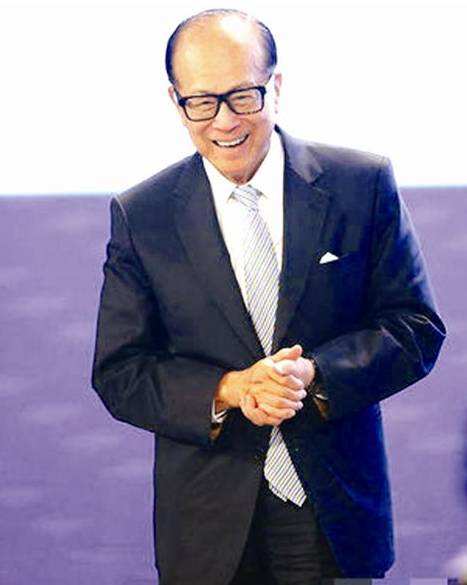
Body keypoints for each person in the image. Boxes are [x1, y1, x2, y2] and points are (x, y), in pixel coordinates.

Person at [91, 8, 446, 585]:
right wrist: (231, 389)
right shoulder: (143, 215)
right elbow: (120, 372)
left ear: (276, 86)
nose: (225, 121)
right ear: (176, 102)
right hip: (207, 527)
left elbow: (414, 328)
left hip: (333, 515)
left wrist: (314, 375)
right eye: (201, 102)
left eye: (242, 96)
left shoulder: (360, 184)